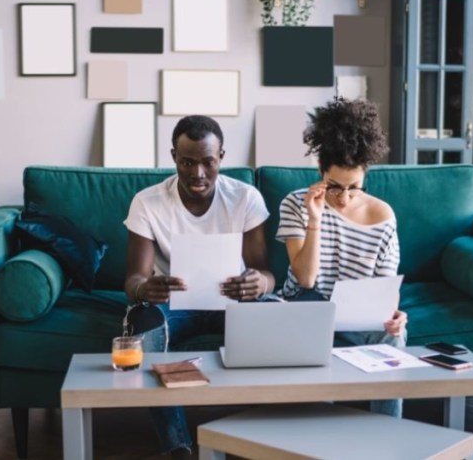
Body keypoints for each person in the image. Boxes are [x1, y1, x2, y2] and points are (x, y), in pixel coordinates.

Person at [122, 115, 275, 456]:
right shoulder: (148, 202)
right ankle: (177, 447)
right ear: (173, 156)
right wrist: (146, 289)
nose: (198, 173)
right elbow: (133, 279)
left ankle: (262, 440)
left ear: (221, 156)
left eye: (208, 162)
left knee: (273, 315)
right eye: (187, 162)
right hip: (173, 304)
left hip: (232, 300)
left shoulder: (245, 197)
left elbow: (266, 272)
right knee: (142, 322)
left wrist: (259, 283)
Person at [275, 97, 408, 418]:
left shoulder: (383, 215)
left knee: (394, 334)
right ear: (321, 171)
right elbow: (305, 279)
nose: (345, 198)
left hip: (358, 315)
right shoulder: (295, 204)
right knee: (307, 326)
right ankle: (320, 440)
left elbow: (386, 289)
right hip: (306, 305)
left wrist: (394, 314)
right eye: (334, 186)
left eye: (355, 188)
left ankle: (385, 435)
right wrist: (315, 218)